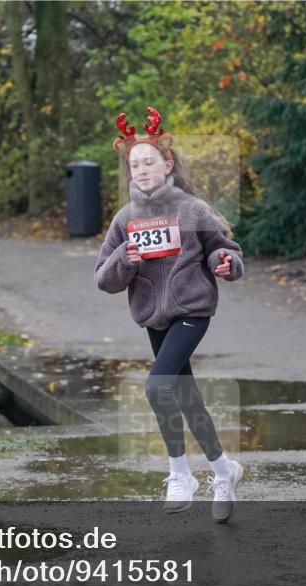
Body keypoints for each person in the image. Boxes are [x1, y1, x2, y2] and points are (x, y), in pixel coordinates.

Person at [94, 107, 245, 524]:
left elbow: (225, 249)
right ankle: (223, 470)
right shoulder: (124, 219)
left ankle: (180, 474)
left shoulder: (192, 210)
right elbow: (103, 278)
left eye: (149, 162)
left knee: (157, 385)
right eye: (134, 164)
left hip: (192, 310)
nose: (141, 170)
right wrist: (125, 258)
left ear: (167, 165)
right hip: (154, 318)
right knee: (185, 394)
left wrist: (223, 262)